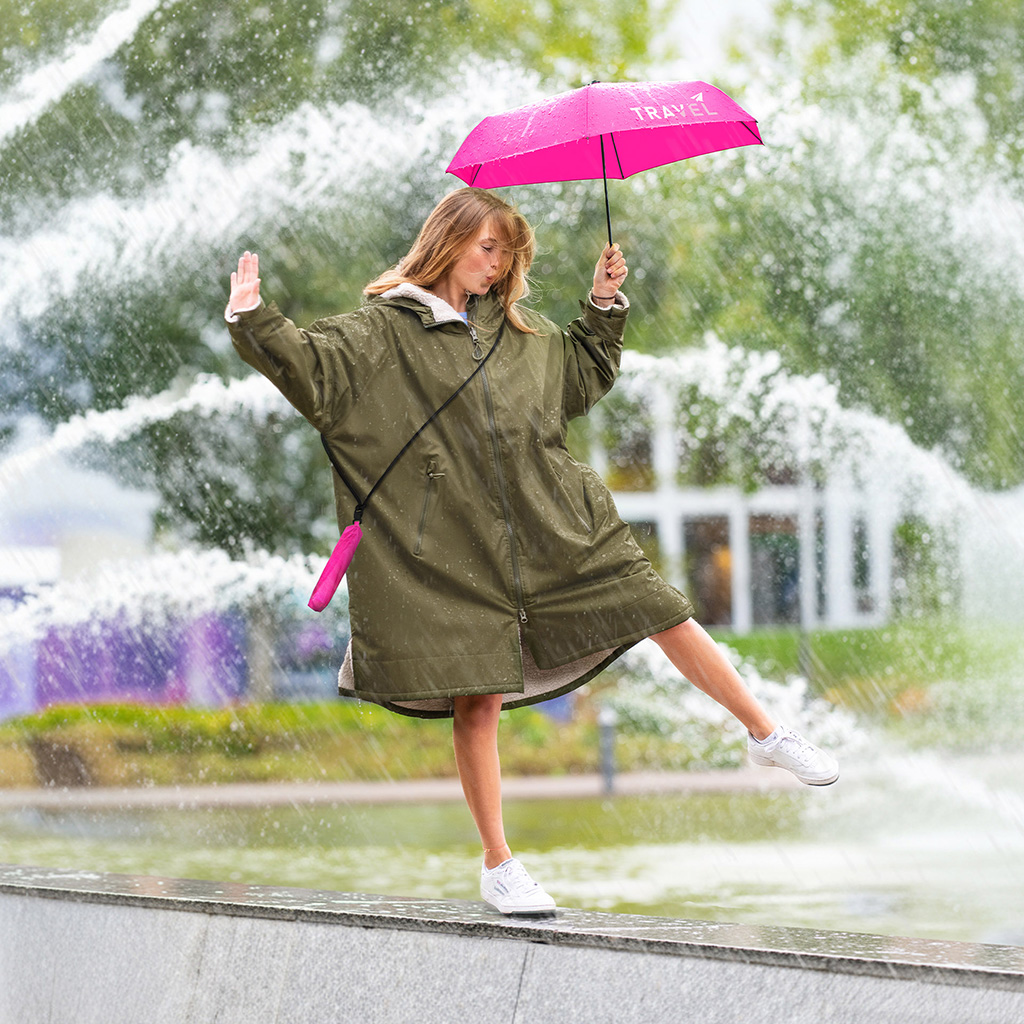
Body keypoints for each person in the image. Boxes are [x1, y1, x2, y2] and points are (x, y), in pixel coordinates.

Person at [226, 187, 839, 916]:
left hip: (555, 523)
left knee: (660, 608)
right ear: (448, 239)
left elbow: (579, 379)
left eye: (508, 255)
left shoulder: (518, 330)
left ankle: (766, 733)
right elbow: (313, 370)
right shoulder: (381, 329)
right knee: (476, 698)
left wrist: (604, 305)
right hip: (450, 545)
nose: (498, 266)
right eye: (490, 248)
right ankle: (499, 865)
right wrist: (252, 319)